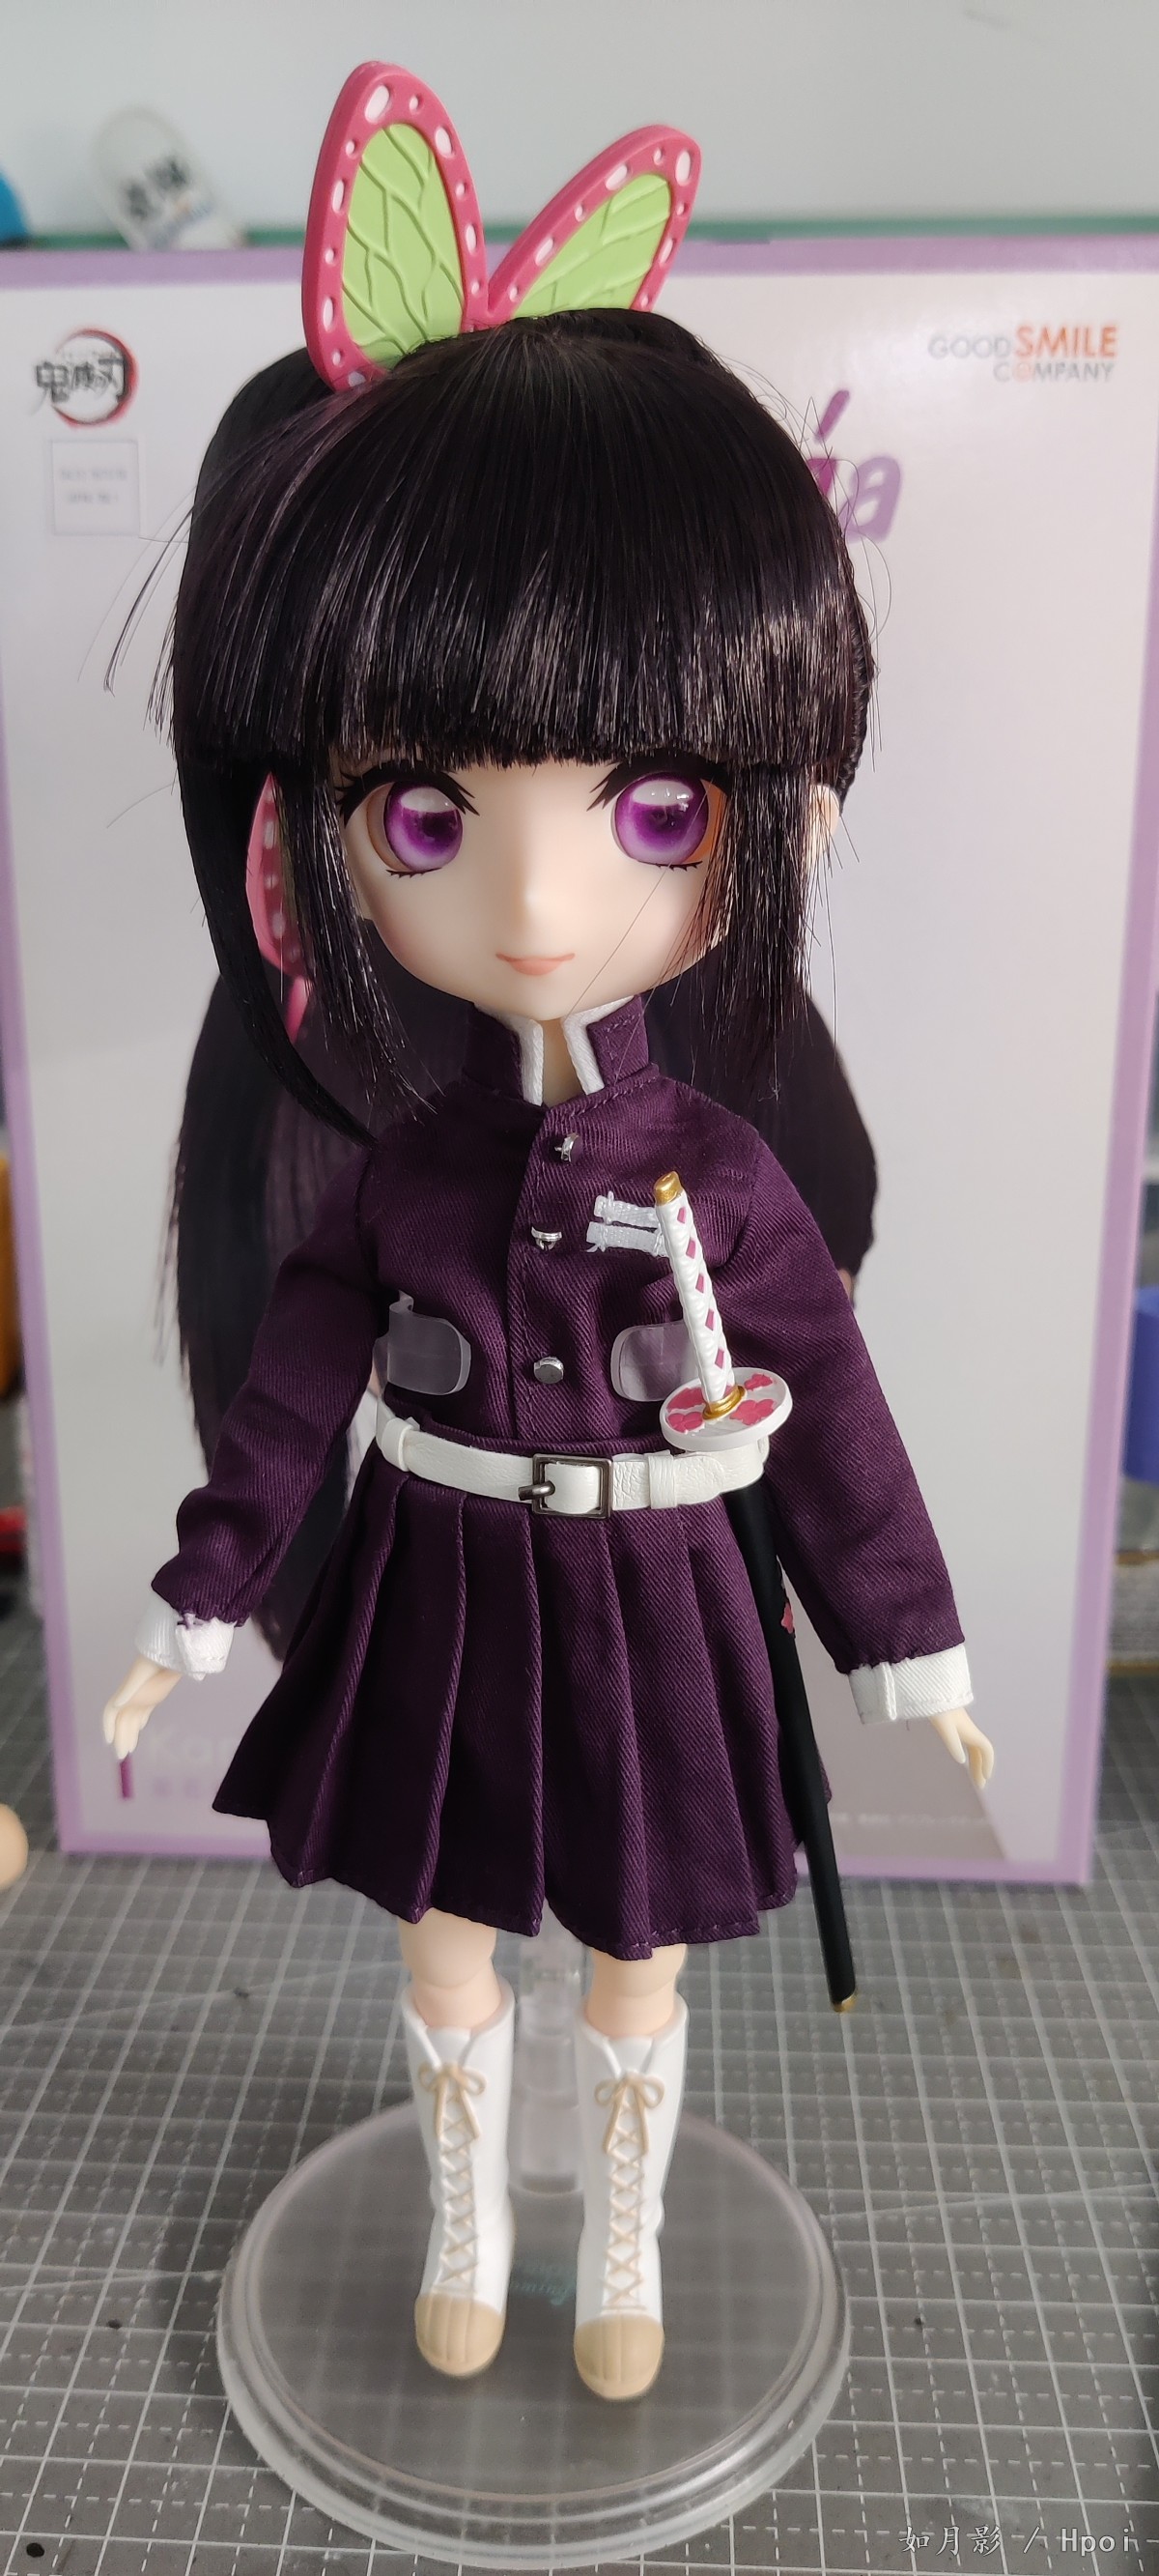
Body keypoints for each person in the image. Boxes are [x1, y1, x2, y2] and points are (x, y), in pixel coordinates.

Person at [103, 67, 992, 2407]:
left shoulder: (724, 1169)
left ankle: (622, 2245)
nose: (531, 899)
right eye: (425, 812)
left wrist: (908, 1643)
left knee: (640, 1953)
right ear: (312, 837)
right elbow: (292, 1393)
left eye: (653, 807)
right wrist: (200, 1597)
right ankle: (464, 2211)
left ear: (764, 819)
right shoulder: (399, 1172)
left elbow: (837, 1417)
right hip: (439, 1577)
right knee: (443, 1934)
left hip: (662, 1590)